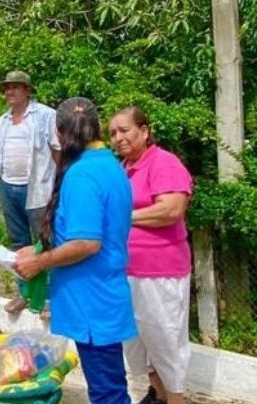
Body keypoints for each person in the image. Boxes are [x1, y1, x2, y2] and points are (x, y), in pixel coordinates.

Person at [13, 98, 137, 403]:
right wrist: (40, 248)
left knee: (108, 393)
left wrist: (40, 262)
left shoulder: (82, 174)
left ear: (58, 131)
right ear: (96, 126)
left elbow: (87, 242)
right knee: (109, 385)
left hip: (91, 301)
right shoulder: (109, 164)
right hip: (101, 296)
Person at [109, 107, 193, 404]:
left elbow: (171, 209)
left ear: (144, 131)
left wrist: (123, 216)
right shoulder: (122, 168)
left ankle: (175, 399)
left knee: (165, 340)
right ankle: (156, 393)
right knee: (137, 341)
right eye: (113, 133)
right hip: (127, 270)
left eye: (124, 130)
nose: (118, 138)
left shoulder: (164, 163)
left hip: (160, 272)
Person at [0, 70, 61, 314]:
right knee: (18, 243)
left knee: (44, 243)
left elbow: (57, 150)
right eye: (7, 88)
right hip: (8, 187)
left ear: (27, 90)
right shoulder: (3, 120)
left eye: (16, 87)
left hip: (38, 190)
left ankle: (49, 300)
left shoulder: (45, 115)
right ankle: (25, 294)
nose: (10, 91)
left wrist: (58, 185)